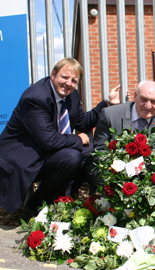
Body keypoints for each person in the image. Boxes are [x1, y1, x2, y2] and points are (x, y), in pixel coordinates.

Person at [0, 58, 120, 219]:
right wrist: (78, 140)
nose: (68, 83)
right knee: (71, 157)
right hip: (23, 157)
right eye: (65, 77)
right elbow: (48, 140)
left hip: (44, 152)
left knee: (91, 152)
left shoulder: (72, 96)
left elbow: (82, 122)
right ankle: (33, 207)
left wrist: (107, 103)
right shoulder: (36, 98)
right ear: (53, 74)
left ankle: (64, 201)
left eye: (74, 80)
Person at [93, 80, 155, 152]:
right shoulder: (109, 115)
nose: (148, 106)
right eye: (144, 99)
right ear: (135, 97)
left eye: (154, 101)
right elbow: (100, 152)